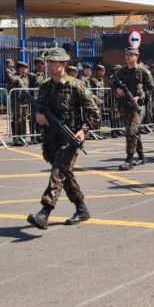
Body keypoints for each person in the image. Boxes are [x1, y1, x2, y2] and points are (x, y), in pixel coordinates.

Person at [26, 48, 100, 229]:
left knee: (58, 172)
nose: (50, 66)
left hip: (70, 138)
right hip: (51, 139)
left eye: (54, 62)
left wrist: (83, 131)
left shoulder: (76, 85)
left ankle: (45, 212)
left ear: (64, 64)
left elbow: (94, 113)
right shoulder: (44, 86)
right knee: (65, 175)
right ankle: (81, 209)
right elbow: (39, 107)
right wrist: (37, 114)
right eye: (48, 62)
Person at [113, 47, 154, 170]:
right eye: (126, 55)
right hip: (125, 106)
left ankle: (129, 159)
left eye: (131, 55)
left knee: (131, 131)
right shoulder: (121, 72)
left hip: (138, 107)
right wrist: (117, 90)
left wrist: (139, 97)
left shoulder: (143, 71)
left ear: (136, 56)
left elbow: (151, 88)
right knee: (133, 132)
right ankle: (141, 156)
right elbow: (113, 84)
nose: (127, 57)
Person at [7, 60, 30, 146]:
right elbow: (11, 82)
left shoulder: (25, 77)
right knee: (17, 119)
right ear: (21, 69)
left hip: (24, 102)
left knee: (24, 119)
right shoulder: (15, 77)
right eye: (25, 68)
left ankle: (23, 137)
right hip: (17, 101)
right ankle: (16, 138)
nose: (26, 69)